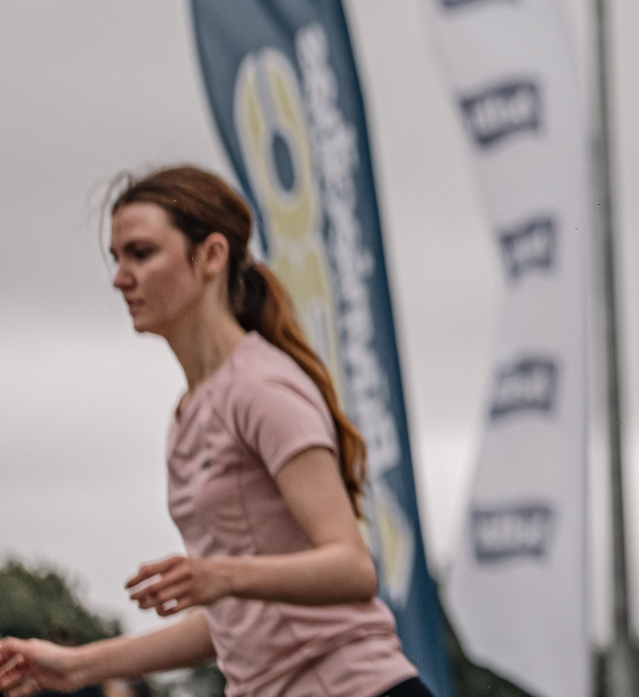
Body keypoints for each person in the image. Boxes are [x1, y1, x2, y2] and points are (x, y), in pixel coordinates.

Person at [0, 167, 423, 697]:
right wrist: (79, 666)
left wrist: (222, 575)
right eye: (117, 258)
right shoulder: (187, 414)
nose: (120, 277)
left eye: (141, 253)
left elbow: (353, 568)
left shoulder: (262, 389)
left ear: (212, 256)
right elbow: (232, 620)